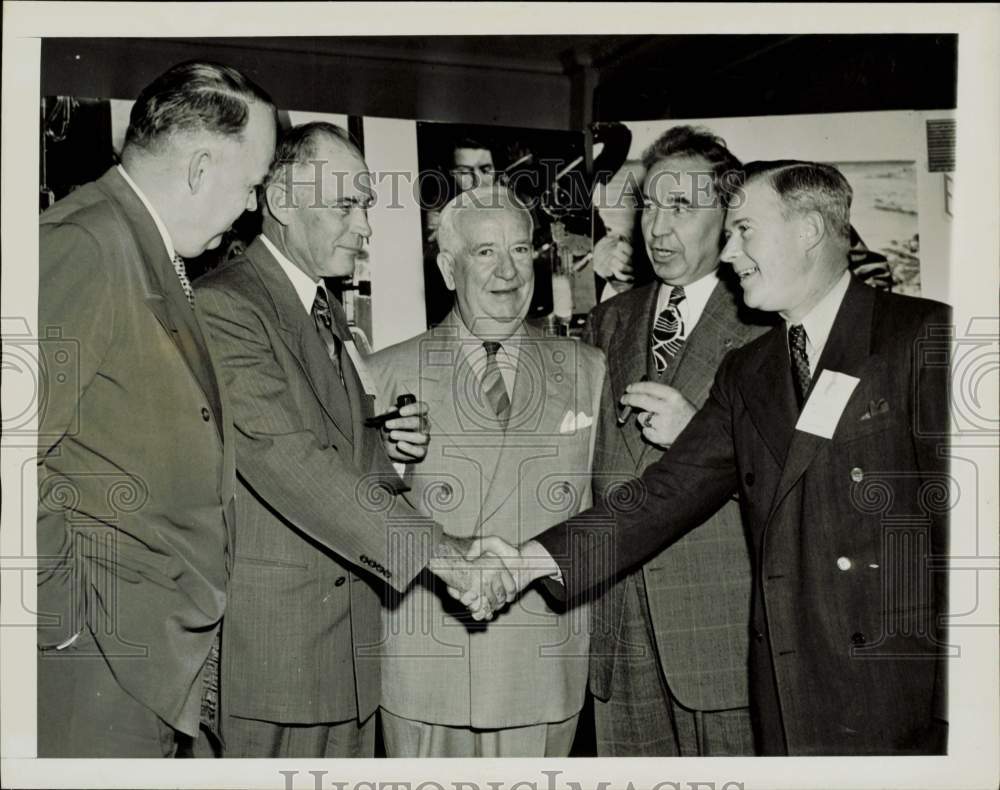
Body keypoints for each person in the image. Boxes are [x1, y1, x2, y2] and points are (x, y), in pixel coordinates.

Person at [472, 160, 951, 756]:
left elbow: (969, 537)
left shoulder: (923, 336)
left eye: (745, 230)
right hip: (785, 687)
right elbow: (664, 494)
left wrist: (963, 705)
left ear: (807, 230)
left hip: (898, 693)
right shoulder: (751, 370)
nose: (728, 253)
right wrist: (528, 562)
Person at [195, 123, 510, 758]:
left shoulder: (323, 310)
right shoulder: (226, 306)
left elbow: (339, 456)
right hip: (273, 661)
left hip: (347, 658)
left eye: (365, 203)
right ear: (281, 202)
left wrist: (386, 454)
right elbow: (288, 460)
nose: (366, 226)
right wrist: (444, 555)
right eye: (346, 204)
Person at [36, 61, 277, 757]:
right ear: (202, 167)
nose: (253, 207)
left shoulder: (146, 249)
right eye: (252, 183)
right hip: (97, 664)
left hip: (145, 658)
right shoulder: (85, 243)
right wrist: (63, 625)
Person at [369, 184, 607, 757]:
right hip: (427, 668)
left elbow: (610, 517)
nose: (508, 271)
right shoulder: (382, 375)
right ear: (449, 269)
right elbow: (364, 518)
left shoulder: (589, 370)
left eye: (522, 251)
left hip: (541, 666)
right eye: (485, 253)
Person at [585, 126, 773, 757]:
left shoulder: (765, 323)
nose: (658, 229)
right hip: (619, 632)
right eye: (651, 207)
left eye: (683, 208)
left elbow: (799, 482)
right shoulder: (609, 320)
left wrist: (703, 433)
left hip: (719, 639)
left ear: (728, 217)